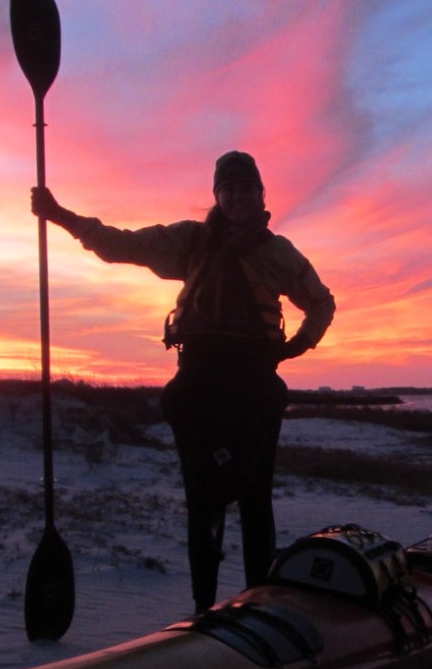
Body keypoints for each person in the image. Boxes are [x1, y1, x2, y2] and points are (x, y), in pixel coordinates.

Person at [32, 151, 335, 612]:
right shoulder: (190, 242)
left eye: (246, 187)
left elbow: (321, 303)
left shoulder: (278, 253)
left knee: (255, 499)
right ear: (217, 195)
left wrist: (298, 345)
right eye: (228, 188)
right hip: (197, 386)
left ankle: (261, 604)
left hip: (254, 385)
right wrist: (61, 216)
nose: (237, 196)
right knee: (203, 501)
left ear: (260, 195)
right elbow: (121, 245)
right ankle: (203, 609)